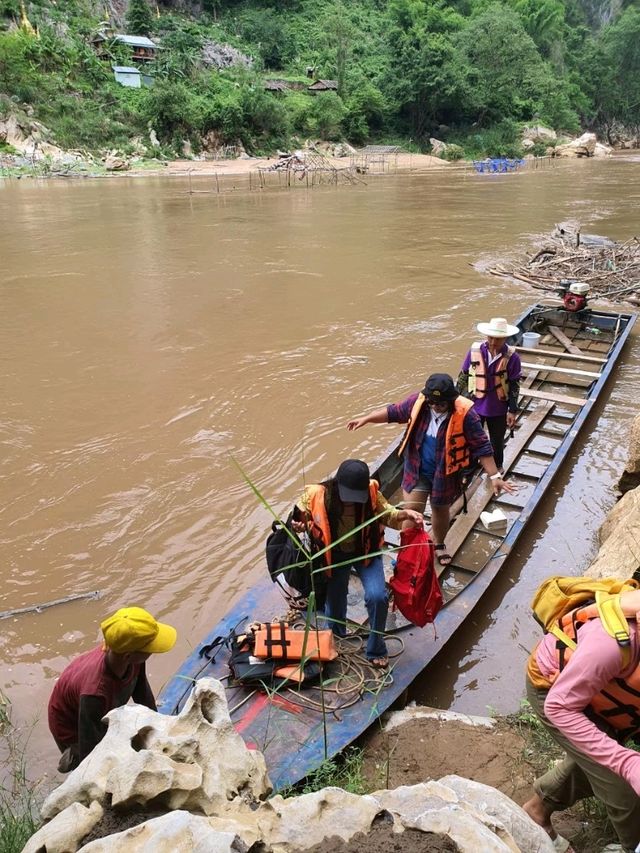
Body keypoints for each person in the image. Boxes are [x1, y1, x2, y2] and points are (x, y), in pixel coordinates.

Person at [347, 373, 515, 568]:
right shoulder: (418, 403)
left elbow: (482, 447)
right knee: (411, 511)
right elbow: (392, 412)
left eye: (441, 404)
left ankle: (439, 544)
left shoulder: (466, 414)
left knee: (440, 509)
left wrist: (495, 476)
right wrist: (366, 419)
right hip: (417, 468)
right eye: (432, 402)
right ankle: (407, 548)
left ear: (450, 401)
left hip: (445, 473)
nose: (436, 407)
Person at [523, 589, 640, 853]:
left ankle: (537, 811)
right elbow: (559, 706)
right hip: (557, 694)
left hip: (609, 696)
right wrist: (627, 762)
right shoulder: (609, 643)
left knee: (597, 759)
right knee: (622, 785)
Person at [293, 458, 423, 668]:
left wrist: (404, 514)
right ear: (337, 486)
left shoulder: (371, 491)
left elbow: (387, 513)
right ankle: (337, 639)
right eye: (348, 497)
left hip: (366, 553)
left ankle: (376, 648)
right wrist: (300, 525)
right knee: (334, 604)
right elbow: (301, 518)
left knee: (378, 597)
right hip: (334, 556)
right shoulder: (318, 494)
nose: (352, 502)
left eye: (356, 497)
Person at [48, 606, 177, 772]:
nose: (152, 651)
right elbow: (91, 750)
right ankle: (71, 758)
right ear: (129, 656)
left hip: (92, 700)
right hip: (71, 723)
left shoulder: (130, 657)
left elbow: (143, 694)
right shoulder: (95, 693)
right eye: (149, 648)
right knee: (90, 758)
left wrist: (159, 730)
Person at [457, 316, 522, 472]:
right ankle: (470, 466)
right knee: (471, 437)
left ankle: (497, 466)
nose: (493, 342)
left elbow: (514, 385)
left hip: (498, 406)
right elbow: (463, 377)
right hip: (474, 404)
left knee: (497, 439)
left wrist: (512, 410)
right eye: (491, 338)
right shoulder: (475, 352)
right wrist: (457, 401)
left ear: (505, 338)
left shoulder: (512, 358)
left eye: (498, 339)